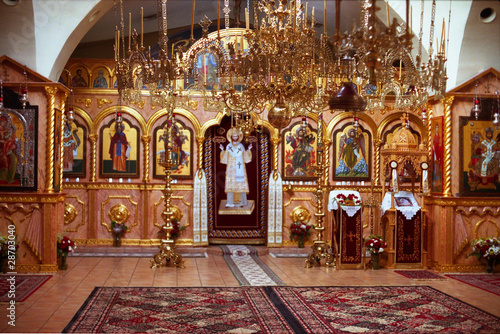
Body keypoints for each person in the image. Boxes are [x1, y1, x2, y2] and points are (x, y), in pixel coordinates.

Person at [220, 127, 252, 207]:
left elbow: (245, 157)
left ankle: (243, 202)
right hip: (231, 169)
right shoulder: (228, 146)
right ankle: (230, 202)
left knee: (241, 185)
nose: (235, 138)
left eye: (236, 136)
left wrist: (249, 150)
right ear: (231, 137)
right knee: (230, 184)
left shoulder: (241, 146)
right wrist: (222, 151)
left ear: (238, 137)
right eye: (233, 136)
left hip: (240, 168)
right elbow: (225, 157)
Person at [0, 115, 18, 183]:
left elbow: (10, 140)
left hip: (7, 149)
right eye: (3, 122)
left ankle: (10, 178)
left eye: (5, 122)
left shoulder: (6, 131)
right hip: (1, 150)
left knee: (15, 159)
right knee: (4, 159)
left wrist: (14, 146)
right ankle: (3, 178)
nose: (4, 124)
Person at [432, 123, 442, 191]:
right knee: (435, 170)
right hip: (435, 155)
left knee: (438, 171)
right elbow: (434, 146)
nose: (437, 130)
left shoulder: (439, 137)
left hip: (438, 155)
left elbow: (439, 146)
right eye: (436, 128)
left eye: (438, 128)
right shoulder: (434, 137)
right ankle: (435, 184)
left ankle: (438, 184)